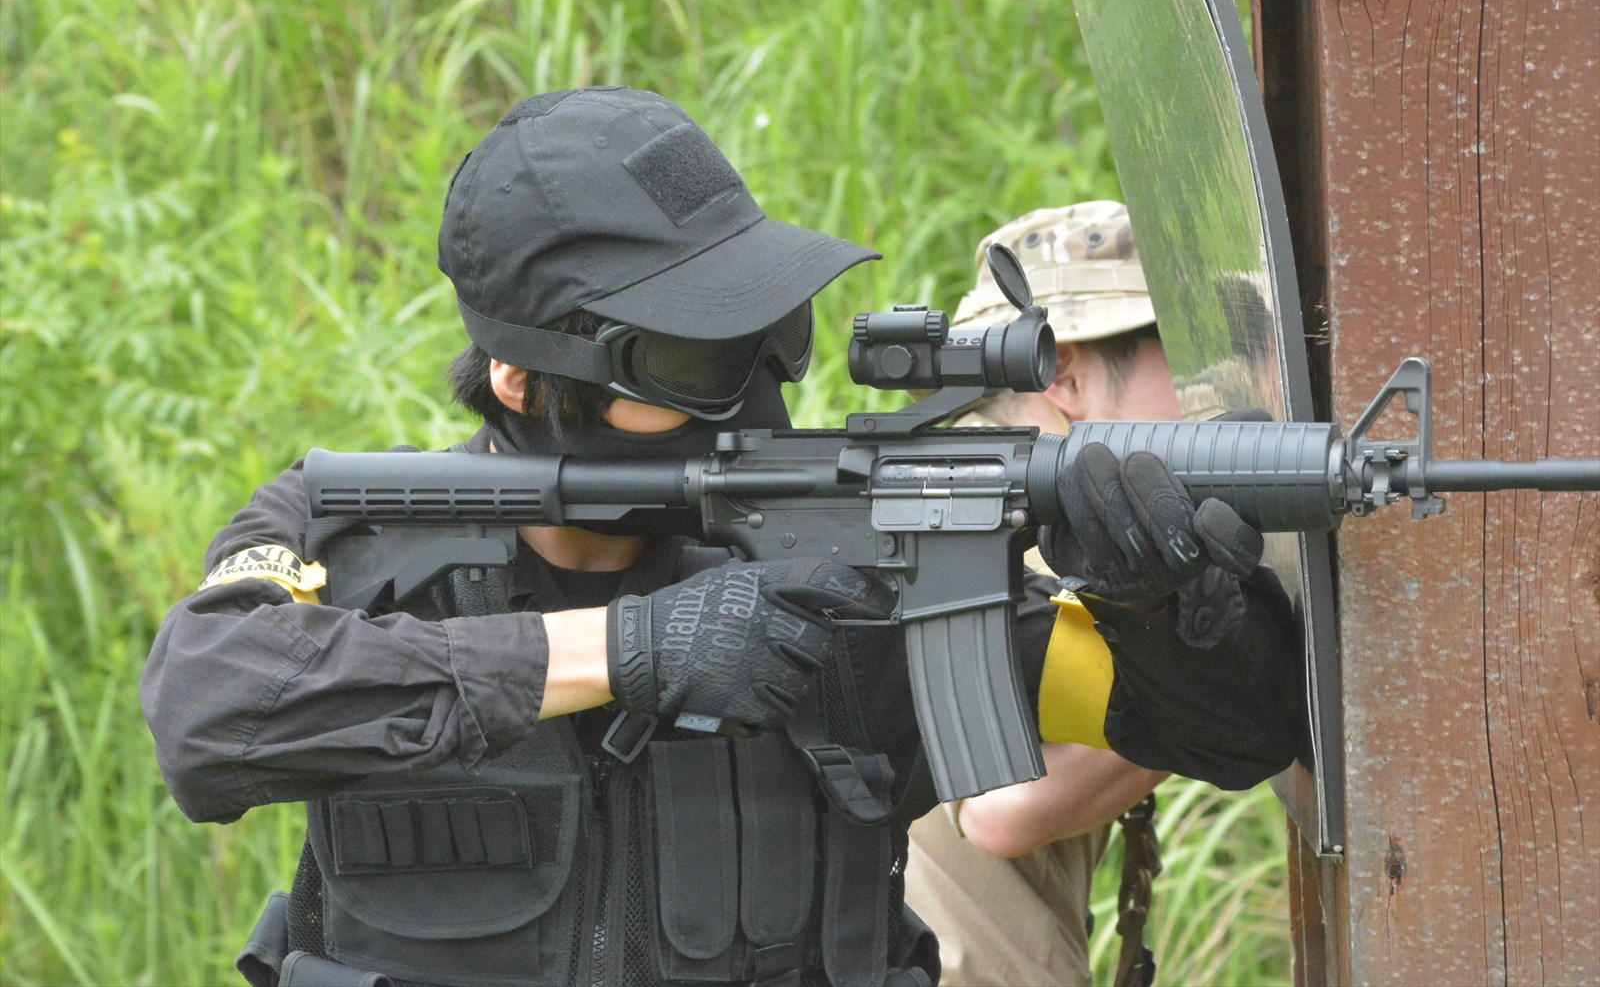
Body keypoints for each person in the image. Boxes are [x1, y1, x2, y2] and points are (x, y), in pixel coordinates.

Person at [141, 89, 1304, 987]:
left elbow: (1238, 728)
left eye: (766, 336)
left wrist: (1164, 608)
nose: (751, 395)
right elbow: (209, 707)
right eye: (691, 359)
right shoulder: (356, 533)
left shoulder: (841, 579)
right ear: (521, 376)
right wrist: (628, 649)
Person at [903, 202, 1191, 987]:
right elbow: (1005, 809)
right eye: (1181, 356)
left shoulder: (976, 492)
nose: (1207, 392)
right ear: (1065, 375)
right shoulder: (982, 522)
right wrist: (1247, 665)